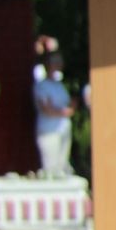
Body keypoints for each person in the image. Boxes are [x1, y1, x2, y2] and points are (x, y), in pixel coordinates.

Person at [33, 50, 74, 178]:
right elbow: (47, 109)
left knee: (62, 166)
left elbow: (70, 105)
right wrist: (63, 112)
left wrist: (64, 110)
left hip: (63, 130)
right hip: (49, 131)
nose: (59, 64)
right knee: (51, 167)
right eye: (55, 61)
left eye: (60, 61)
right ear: (48, 64)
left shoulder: (59, 85)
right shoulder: (41, 86)